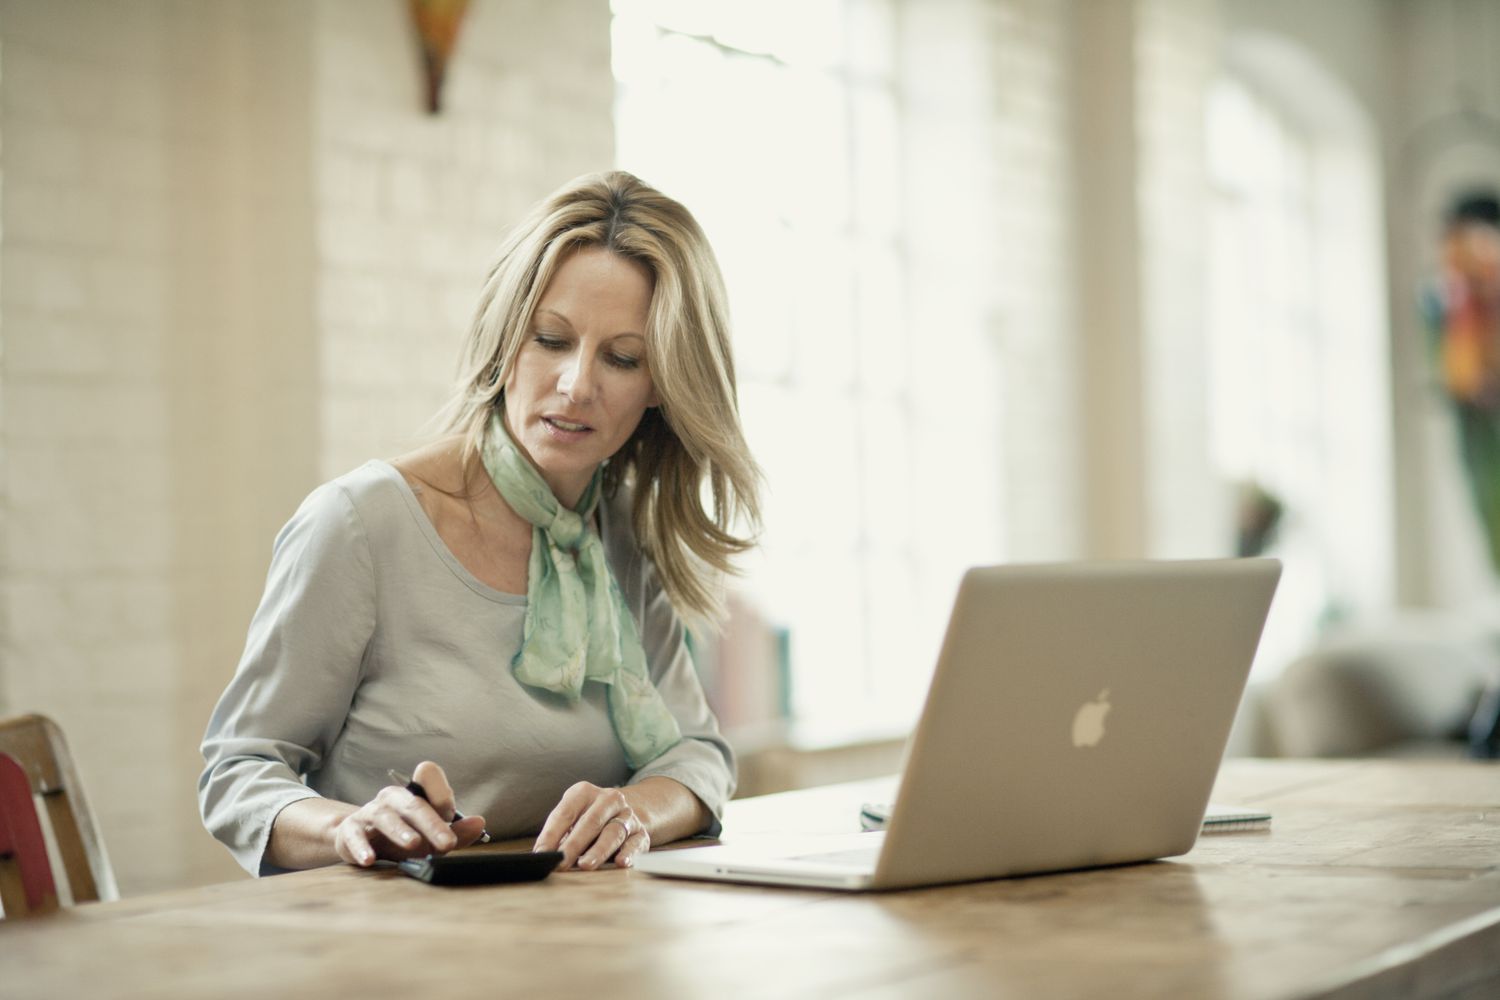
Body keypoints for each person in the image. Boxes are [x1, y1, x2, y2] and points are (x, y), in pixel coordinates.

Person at [199, 171, 762, 876]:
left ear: (662, 387)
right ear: (504, 340)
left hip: (580, 945)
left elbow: (699, 755)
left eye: (622, 358)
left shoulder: (619, 534)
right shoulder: (360, 525)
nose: (577, 385)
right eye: (550, 340)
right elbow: (238, 772)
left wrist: (636, 811)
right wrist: (354, 826)